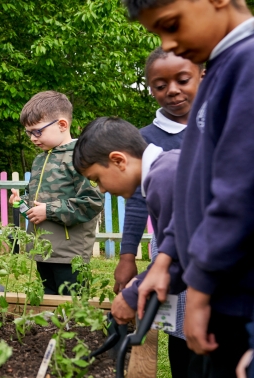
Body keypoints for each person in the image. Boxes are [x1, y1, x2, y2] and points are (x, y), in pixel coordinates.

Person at [123, 1, 254, 376]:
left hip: (239, 297)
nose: (170, 43)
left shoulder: (246, 66)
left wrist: (199, 289)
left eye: (172, 24)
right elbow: (197, 193)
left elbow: (237, 194)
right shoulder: (219, 71)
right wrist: (167, 259)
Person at [73, 117, 207, 377]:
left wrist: (132, 295)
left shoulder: (164, 178)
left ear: (119, 160)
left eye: (98, 178)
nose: (101, 189)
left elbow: (183, 257)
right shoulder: (166, 170)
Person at [111, 47, 204, 377]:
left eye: (182, 80)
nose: (173, 91)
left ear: (201, 77)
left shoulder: (220, 126)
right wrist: (126, 255)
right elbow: (137, 201)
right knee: (178, 327)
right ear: (150, 89)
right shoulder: (144, 139)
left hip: (202, 249)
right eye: (160, 85)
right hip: (169, 247)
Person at [9, 91, 103, 295]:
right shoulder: (40, 160)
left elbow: (92, 201)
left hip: (70, 253)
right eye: (28, 133)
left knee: (72, 306)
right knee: (49, 305)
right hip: (42, 250)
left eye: (37, 131)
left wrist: (48, 211)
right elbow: (38, 202)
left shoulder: (81, 157)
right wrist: (21, 202)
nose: (33, 138)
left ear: (62, 125)